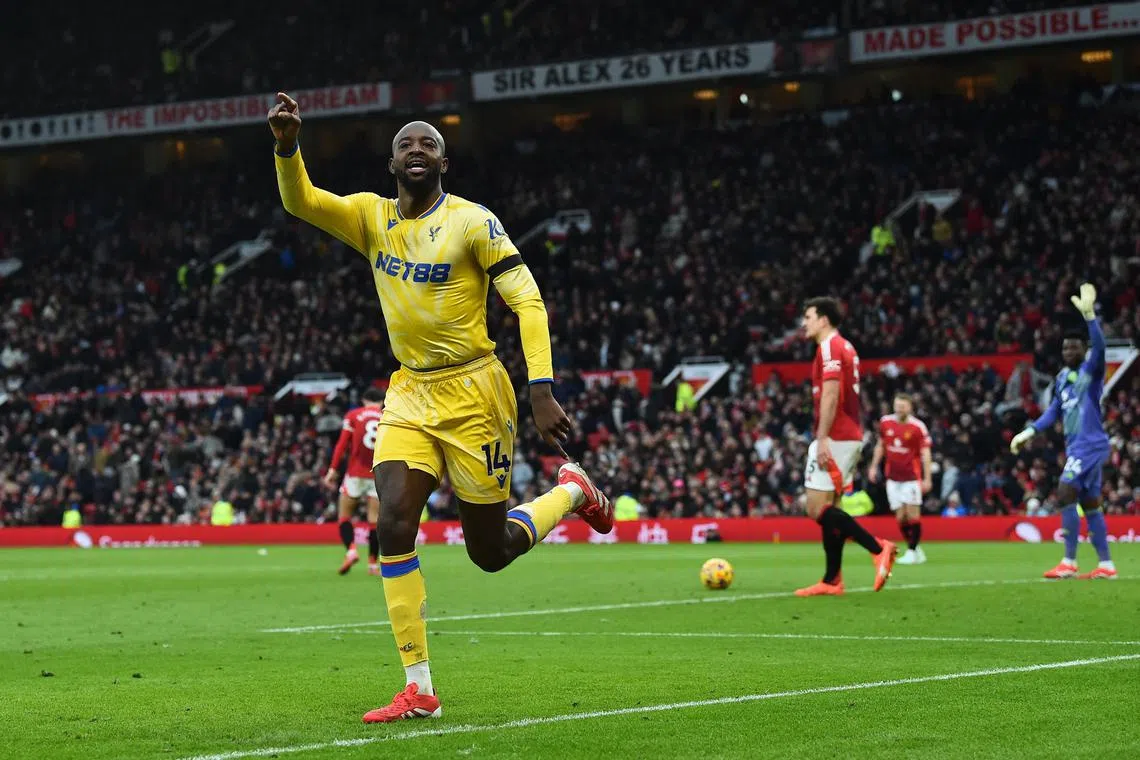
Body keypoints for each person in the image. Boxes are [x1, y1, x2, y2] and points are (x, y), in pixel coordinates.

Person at [268, 94, 614, 723]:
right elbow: (301, 201)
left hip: (477, 392)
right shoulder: (372, 219)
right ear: (391, 162)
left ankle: (570, 492)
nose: (418, 150)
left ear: (445, 162)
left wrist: (541, 388)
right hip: (408, 392)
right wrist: (288, 148)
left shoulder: (472, 222)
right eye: (407, 144)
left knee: (490, 552)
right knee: (394, 521)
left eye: (429, 144)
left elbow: (528, 302)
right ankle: (419, 685)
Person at [1010, 283, 1116, 580]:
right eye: (1065, 347)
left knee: (1065, 491)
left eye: (1075, 347)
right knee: (1090, 504)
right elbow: (1053, 412)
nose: (1069, 350)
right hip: (1076, 447)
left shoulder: (1091, 373)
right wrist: (1028, 433)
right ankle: (1106, 565)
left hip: (1090, 445)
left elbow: (1101, 348)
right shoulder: (1061, 379)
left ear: (1084, 350)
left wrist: (1090, 317)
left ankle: (1068, 561)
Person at [794, 297, 897, 597]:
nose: (805, 323)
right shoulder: (845, 346)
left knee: (816, 508)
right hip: (849, 433)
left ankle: (878, 547)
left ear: (824, 319)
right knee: (833, 507)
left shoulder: (830, 347)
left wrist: (822, 436)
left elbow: (831, 393)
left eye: (809, 316)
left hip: (837, 435)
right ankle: (831, 580)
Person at [323, 387, 386, 576]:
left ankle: (351, 550)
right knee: (374, 521)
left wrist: (332, 470)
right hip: (377, 474)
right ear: (382, 401)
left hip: (355, 473)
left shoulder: (353, 415)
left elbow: (342, 444)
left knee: (344, 515)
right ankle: (373, 565)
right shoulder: (387, 416)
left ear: (364, 400)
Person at [868, 393, 933, 564]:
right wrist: (874, 466)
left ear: (909, 408)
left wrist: (927, 478)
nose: (899, 409)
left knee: (912, 515)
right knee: (900, 518)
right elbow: (881, 445)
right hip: (892, 477)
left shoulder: (918, 427)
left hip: (911, 477)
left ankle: (911, 551)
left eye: (902, 406)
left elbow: (926, 453)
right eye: (897, 406)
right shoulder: (886, 422)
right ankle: (916, 549)